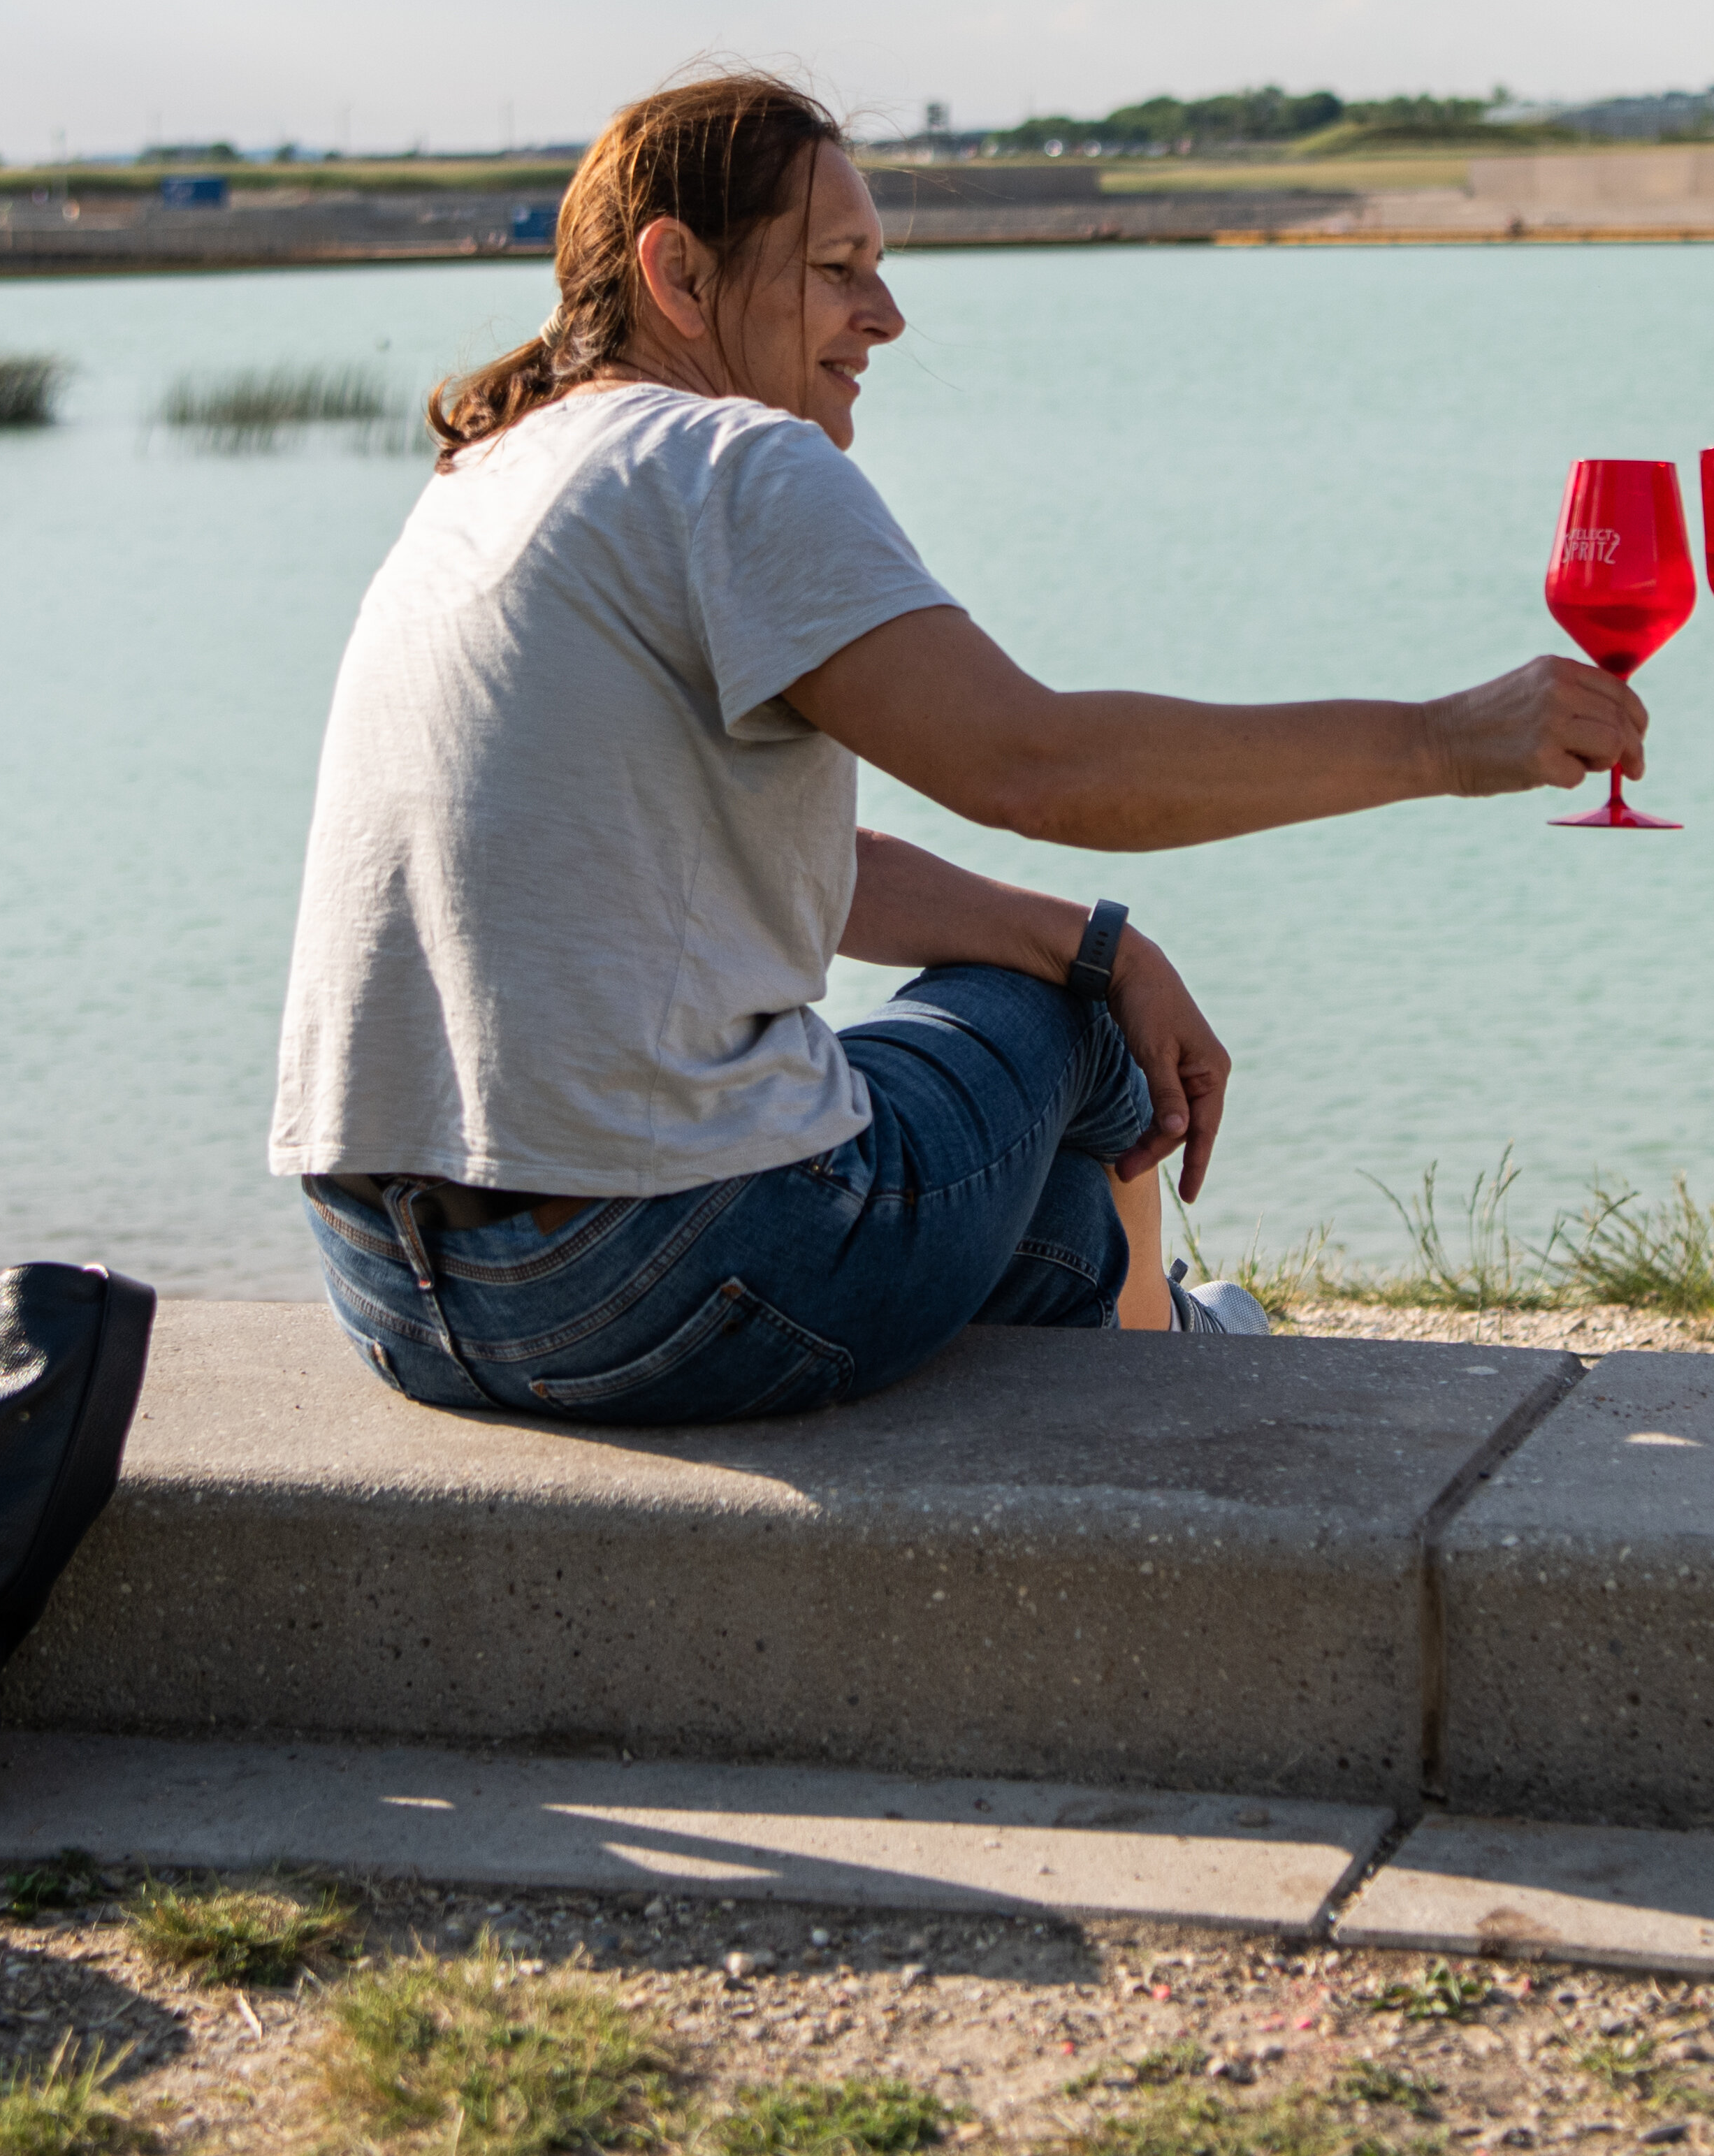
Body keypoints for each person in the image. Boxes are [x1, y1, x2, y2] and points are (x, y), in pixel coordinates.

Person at [273, 71, 1645, 1425]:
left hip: (402, 1297)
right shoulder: (731, 462)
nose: (887, 314)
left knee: (1050, 1164)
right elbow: (1037, 767)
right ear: (678, 276)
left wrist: (1088, 934)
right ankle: (1169, 1368)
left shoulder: (487, 478)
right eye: (837, 267)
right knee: (1070, 1032)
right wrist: (1444, 739)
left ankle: (1116, 1315)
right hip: (669, 1276)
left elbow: (728, 865)